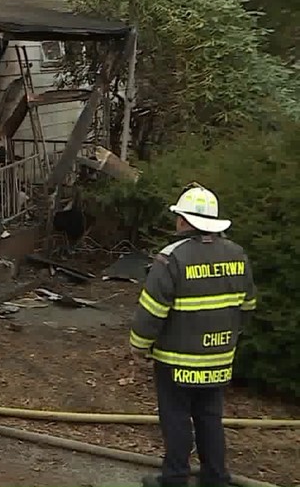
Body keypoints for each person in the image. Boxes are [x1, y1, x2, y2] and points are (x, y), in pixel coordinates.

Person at [129, 183, 257, 487]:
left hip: (176, 361)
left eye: (178, 217)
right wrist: (229, 336)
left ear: (184, 221)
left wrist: (138, 346)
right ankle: (215, 477)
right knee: (210, 418)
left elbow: (152, 310)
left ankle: (174, 477)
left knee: (175, 417)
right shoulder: (237, 254)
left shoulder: (170, 258)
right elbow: (248, 305)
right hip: (219, 358)